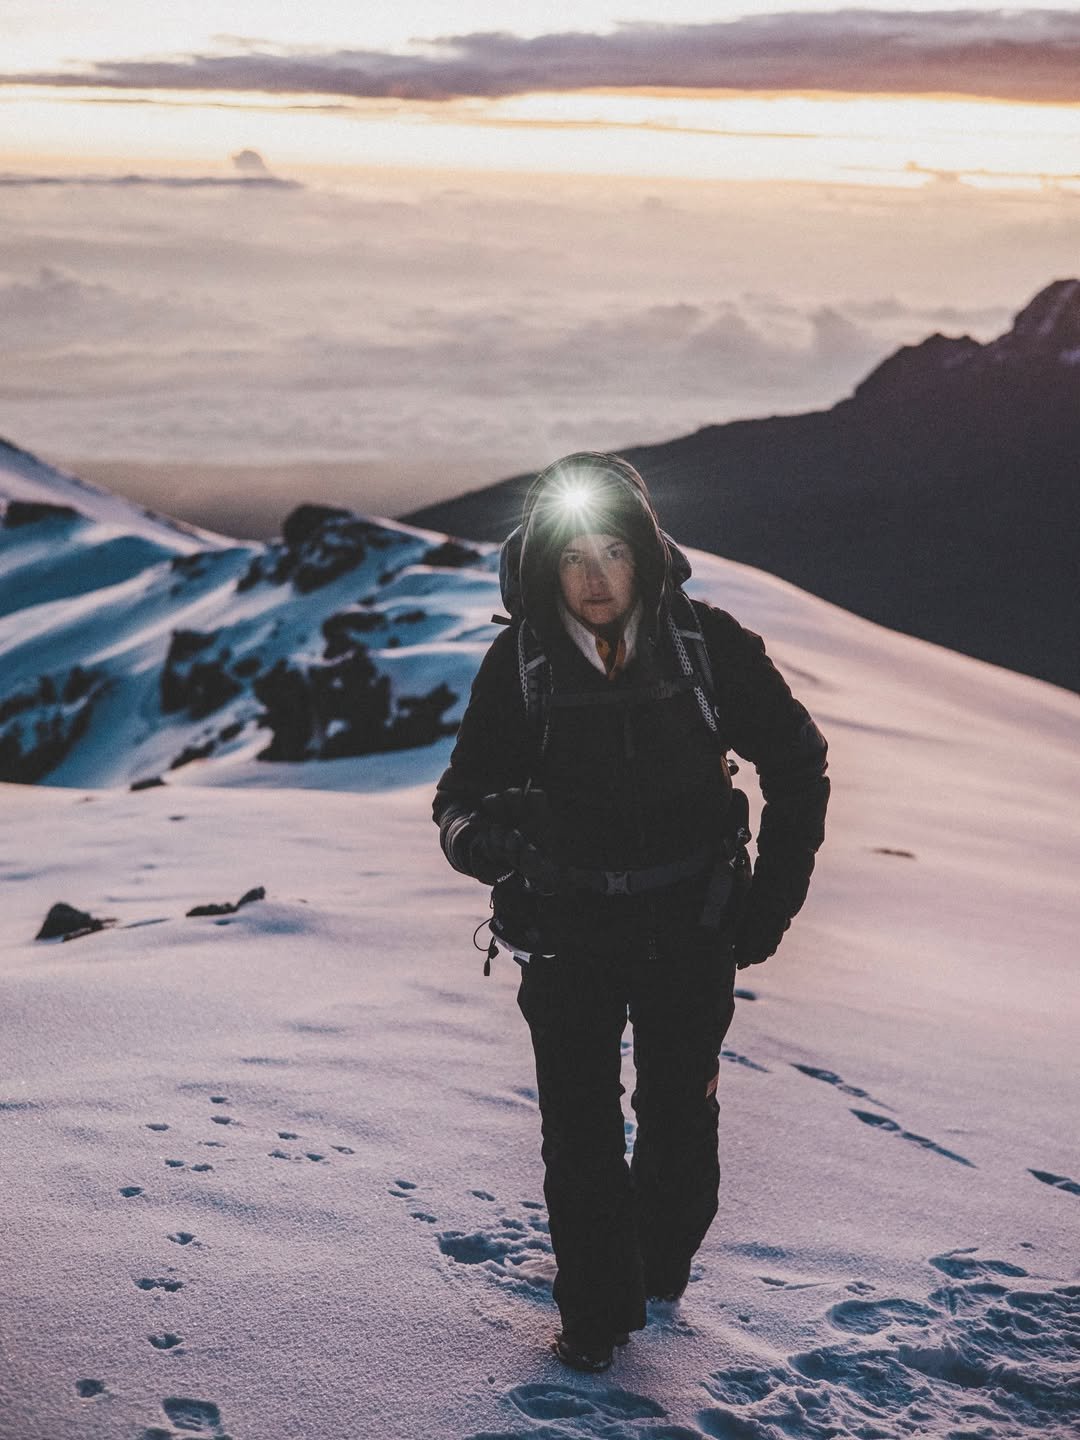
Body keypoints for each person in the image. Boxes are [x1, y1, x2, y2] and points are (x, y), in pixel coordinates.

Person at [433, 452, 829, 1373]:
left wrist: (771, 900)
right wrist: (486, 843)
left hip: (693, 924)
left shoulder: (708, 646)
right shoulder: (520, 660)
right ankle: (596, 1316)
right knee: (578, 1127)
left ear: (646, 554)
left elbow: (799, 761)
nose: (596, 575)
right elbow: (459, 796)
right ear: (544, 565)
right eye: (574, 556)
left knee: (679, 1117)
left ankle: (658, 1266)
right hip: (567, 933)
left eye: (614, 551)